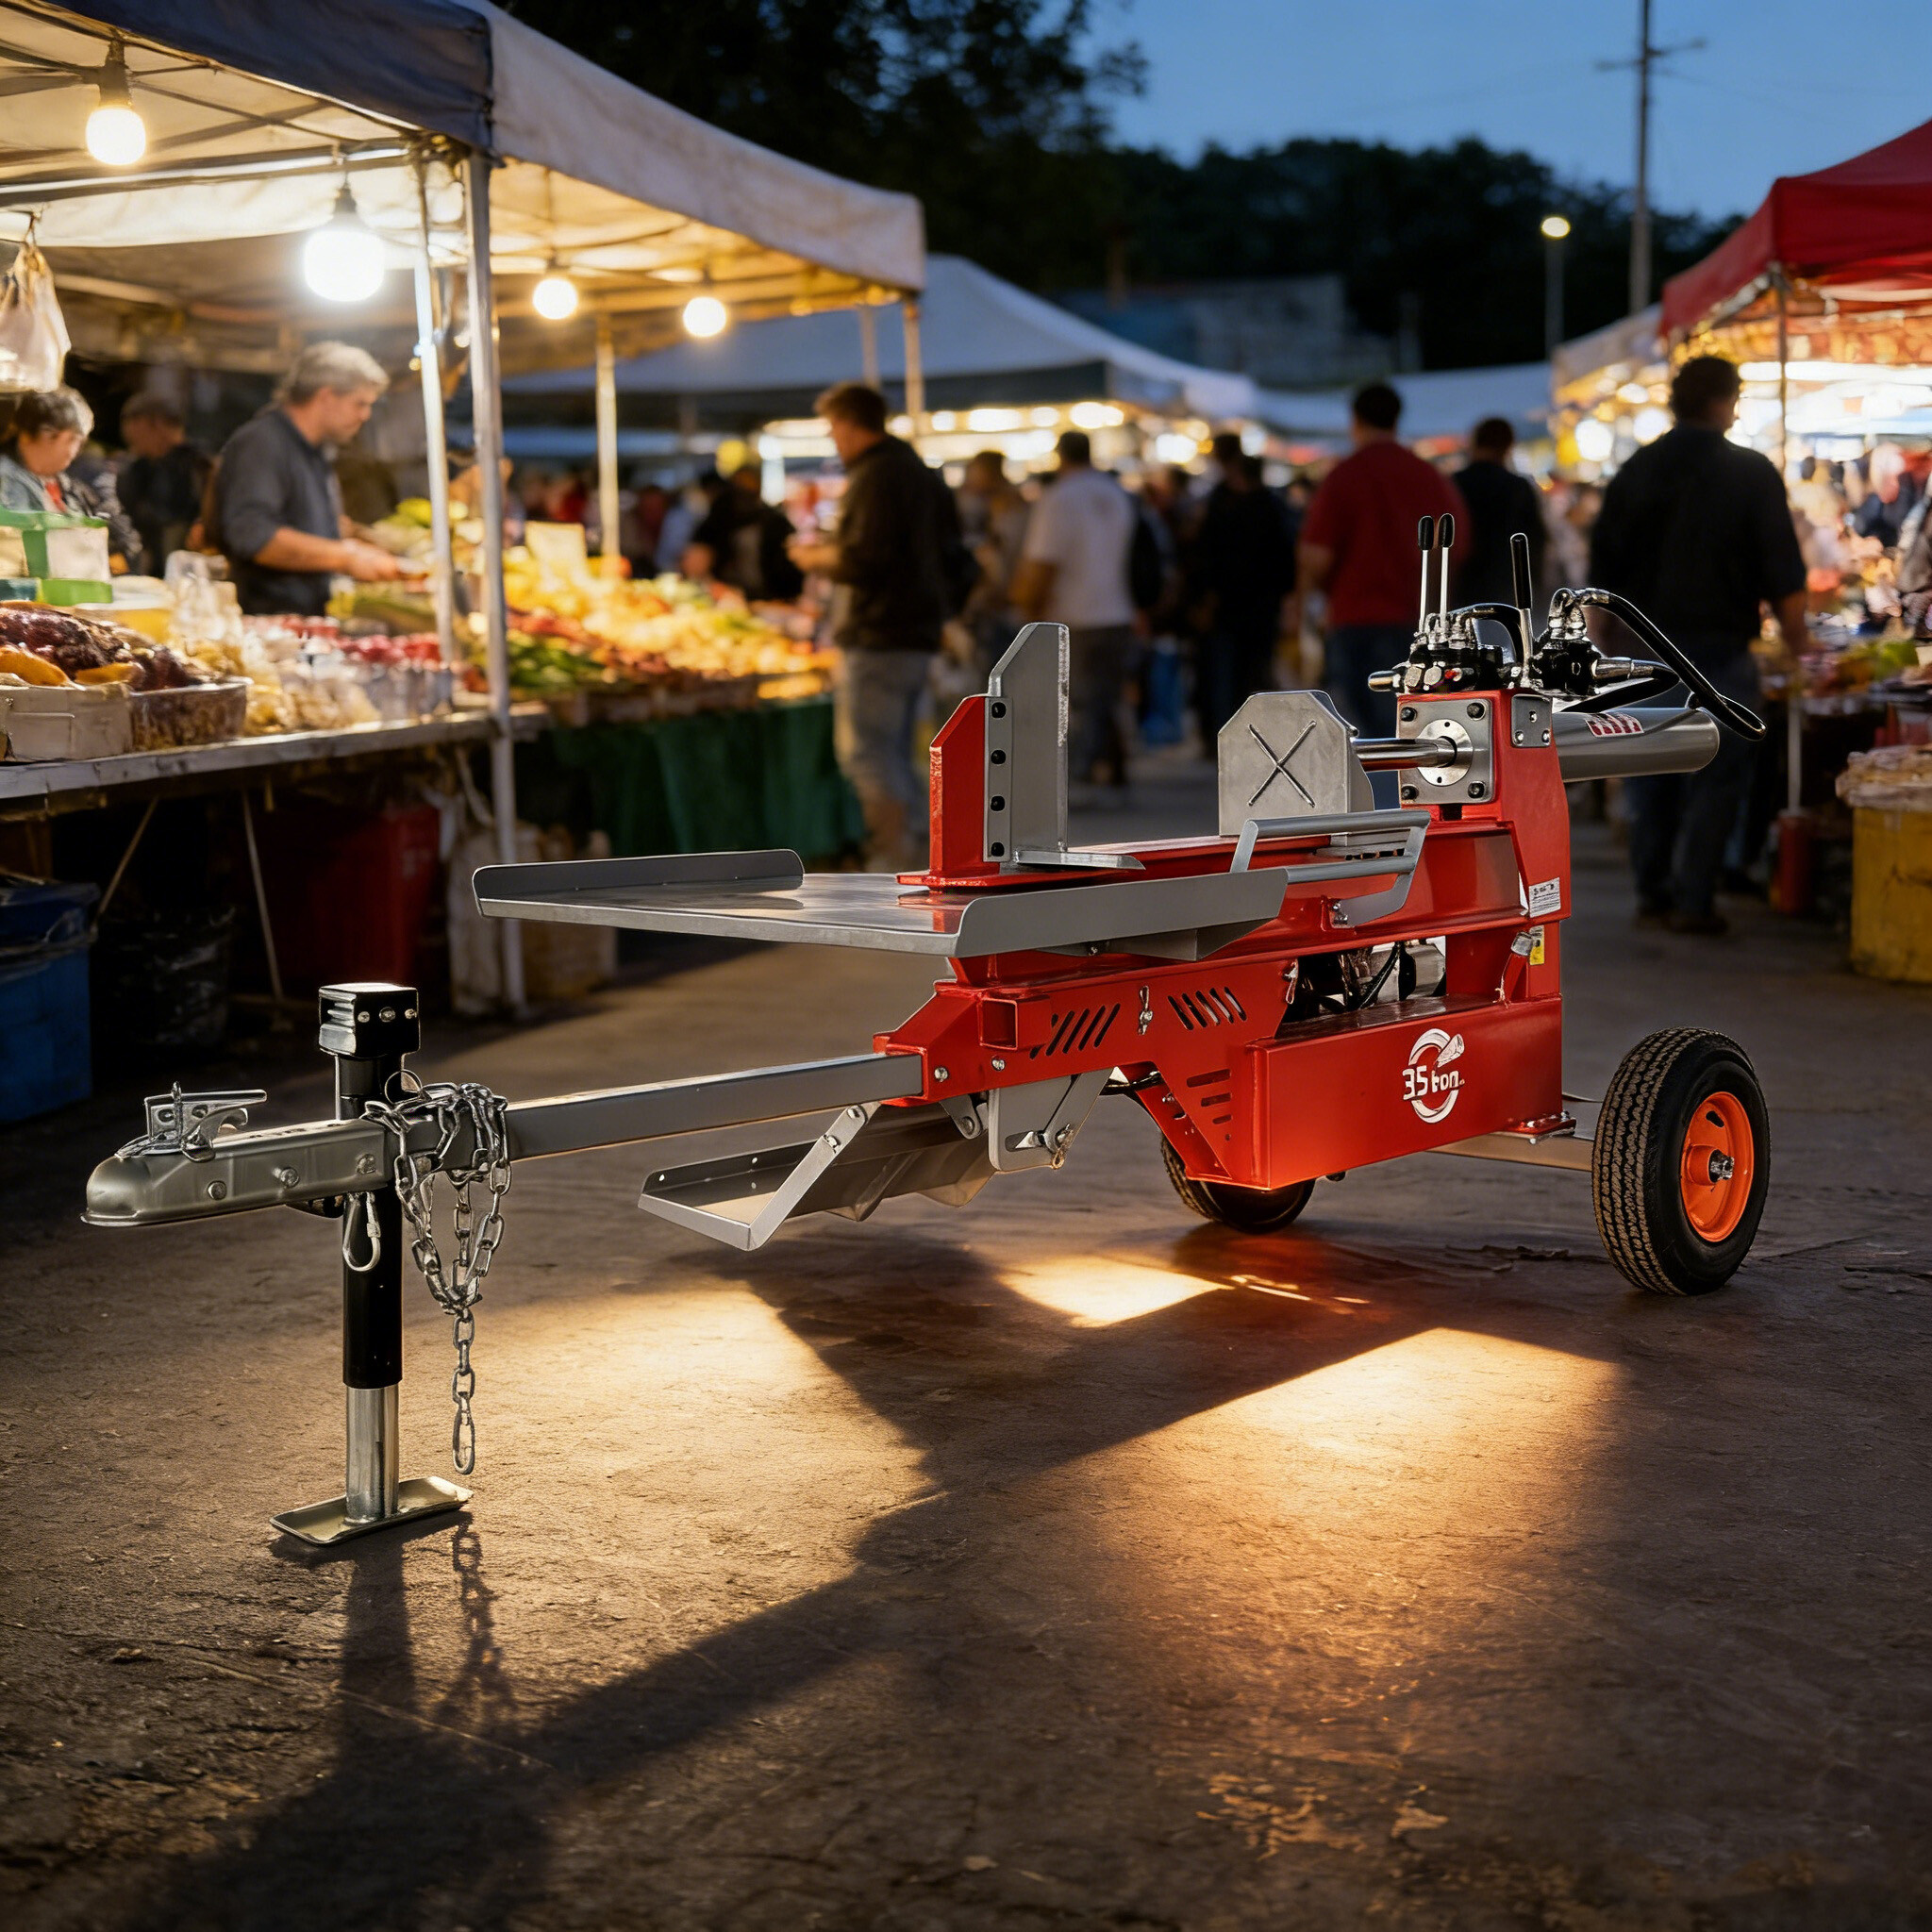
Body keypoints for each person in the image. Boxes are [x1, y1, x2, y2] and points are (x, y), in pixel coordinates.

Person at [1590, 354, 1807, 936]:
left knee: (1650, 769)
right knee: (1720, 773)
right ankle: (1693, 899)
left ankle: (1652, 892)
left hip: (1643, 651)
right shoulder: (1752, 473)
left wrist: (1600, 644)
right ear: (1723, 401)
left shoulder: (1636, 469)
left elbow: (1601, 572)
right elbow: (1783, 572)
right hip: (1718, 651)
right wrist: (1798, 644)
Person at [788, 382, 954, 869]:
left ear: (849, 423)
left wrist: (813, 556)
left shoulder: (878, 475)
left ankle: (893, 855)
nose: (832, 439)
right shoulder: (915, 471)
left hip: (880, 634)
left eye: (833, 428)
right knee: (897, 749)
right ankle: (921, 849)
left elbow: (865, 559)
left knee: (868, 754)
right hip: (912, 632)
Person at [1299, 382, 1466, 736]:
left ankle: (1373, 792)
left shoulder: (1344, 476)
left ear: (1355, 421)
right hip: (1418, 622)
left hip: (1354, 617)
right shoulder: (1427, 475)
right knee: (1415, 727)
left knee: (1360, 734)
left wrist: (1306, 602)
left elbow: (1316, 556)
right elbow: (1457, 545)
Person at [209, 341, 406, 616]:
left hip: (312, 621)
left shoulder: (314, 450)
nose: (365, 415)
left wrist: (361, 541)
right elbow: (254, 536)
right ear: (326, 397)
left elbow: (307, 523)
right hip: (272, 625)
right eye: (359, 403)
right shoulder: (263, 443)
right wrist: (346, 556)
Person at [1010, 429, 1139, 789]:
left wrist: (1027, 611)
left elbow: (1042, 562)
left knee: (1077, 702)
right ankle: (1113, 771)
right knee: (1106, 696)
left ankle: (1077, 779)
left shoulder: (1060, 497)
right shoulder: (1116, 494)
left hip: (1074, 614)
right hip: (1117, 611)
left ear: (1060, 456)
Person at [1190, 439, 1297, 740]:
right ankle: (1254, 735)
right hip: (1261, 607)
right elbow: (1286, 561)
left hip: (1229, 607)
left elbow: (1207, 559)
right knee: (1254, 673)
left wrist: (1204, 600)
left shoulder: (1223, 506)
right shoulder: (1272, 507)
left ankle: (1225, 736)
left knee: (1226, 677)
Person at [0, 387, 141, 570]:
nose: (74, 451)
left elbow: (118, 538)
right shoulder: (6, 481)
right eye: (69, 440)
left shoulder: (71, 486)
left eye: (79, 441)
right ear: (27, 435)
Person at [1453, 416, 1546, 606]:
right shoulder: (1518, 487)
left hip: (1462, 586)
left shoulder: (1454, 484)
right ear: (1508, 446)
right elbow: (1536, 540)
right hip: (1510, 586)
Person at [116, 391, 212, 575]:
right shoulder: (140, 466)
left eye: (133, 422)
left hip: (185, 571)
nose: (127, 431)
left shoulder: (196, 466)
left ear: (155, 423)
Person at [955, 449, 1031, 668]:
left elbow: (1006, 556)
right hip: (996, 601)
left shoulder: (1008, 505)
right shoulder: (996, 503)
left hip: (1003, 601)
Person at [685, 463, 805, 602]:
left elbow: (788, 566)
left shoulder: (774, 522)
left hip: (771, 597)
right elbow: (698, 554)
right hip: (728, 596)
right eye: (740, 487)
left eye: (750, 487)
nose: (745, 492)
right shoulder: (719, 519)